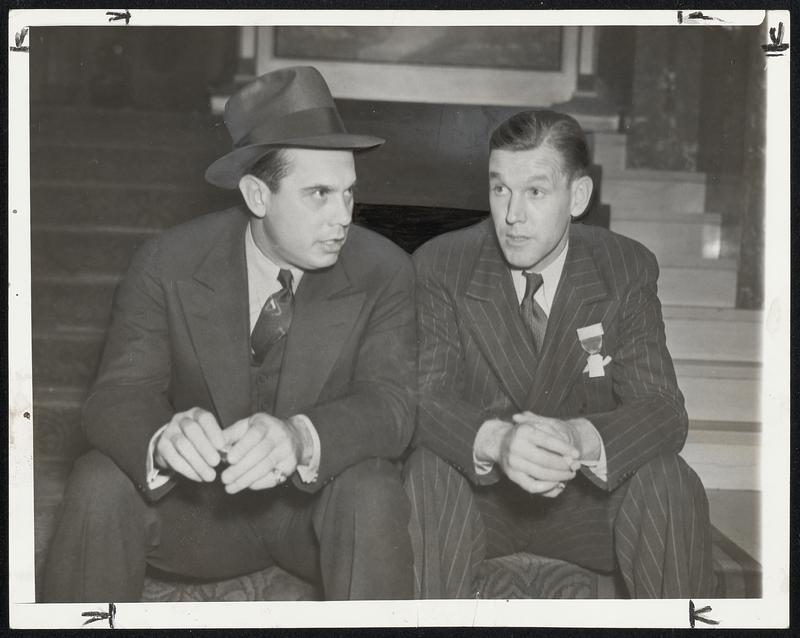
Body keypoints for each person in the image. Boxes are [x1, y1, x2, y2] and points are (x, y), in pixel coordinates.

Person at [43, 66, 416, 602]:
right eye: (318, 194)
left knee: (373, 489)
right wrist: (163, 438)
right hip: (199, 515)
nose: (343, 217)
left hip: (314, 522)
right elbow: (117, 394)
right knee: (98, 478)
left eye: (348, 193)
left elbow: (393, 407)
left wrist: (300, 437)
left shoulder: (385, 269)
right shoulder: (167, 261)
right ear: (257, 196)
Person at [405, 109, 714, 599]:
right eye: (499, 188)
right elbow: (424, 400)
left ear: (578, 197)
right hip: (481, 505)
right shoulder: (442, 264)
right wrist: (497, 442)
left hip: (588, 506)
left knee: (672, 481)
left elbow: (664, 411)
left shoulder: (624, 268)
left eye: (535, 192)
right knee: (425, 472)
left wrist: (580, 436)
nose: (511, 215)